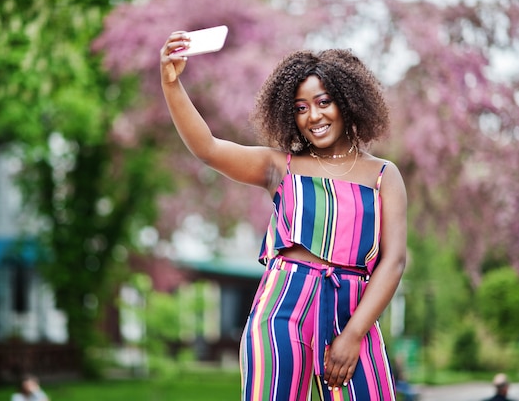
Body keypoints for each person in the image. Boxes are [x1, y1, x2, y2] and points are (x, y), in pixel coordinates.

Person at [160, 31, 407, 400]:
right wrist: (172, 83)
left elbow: (393, 261)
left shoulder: (383, 175)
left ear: (348, 102)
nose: (313, 116)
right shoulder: (281, 167)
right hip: (283, 307)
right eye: (300, 107)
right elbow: (208, 148)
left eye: (323, 102)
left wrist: (354, 333)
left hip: (353, 309)